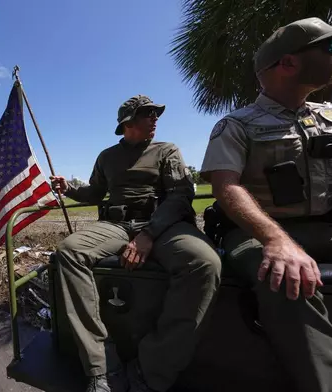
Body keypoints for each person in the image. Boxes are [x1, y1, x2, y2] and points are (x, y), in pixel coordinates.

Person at [200, 17, 332, 392]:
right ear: (288, 63)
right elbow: (226, 187)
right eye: (330, 47)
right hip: (258, 233)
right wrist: (276, 241)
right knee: (284, 278)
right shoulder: (237, 125)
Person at [51, 95, 222, 392]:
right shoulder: (107, 157)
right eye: (148, 114)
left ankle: (151, 369)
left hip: (163, 225)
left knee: (204, 262)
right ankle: (100, 365)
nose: (155, 118)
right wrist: (69, 190)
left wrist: (149, 235)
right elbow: (95, 193)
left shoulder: (166, 150)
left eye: (156, 113)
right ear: (127, 122)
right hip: (116, 225)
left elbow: (180, 196)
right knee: (69, 252)